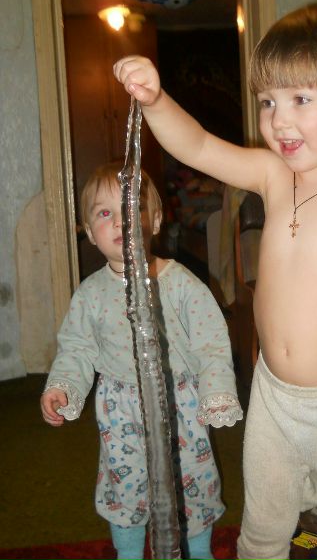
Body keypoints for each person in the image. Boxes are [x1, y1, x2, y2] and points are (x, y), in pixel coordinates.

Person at [113, 3, 317, 560]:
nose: (279, 120)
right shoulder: (271, 174)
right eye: (268, 102)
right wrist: (156, 101)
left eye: (301, 99)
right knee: (261, 530)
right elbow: (198, 146)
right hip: (273, 396)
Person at [41, 161, 243, 560]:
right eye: (105, 213)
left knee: (191, 478)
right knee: (125, 485)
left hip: (179, 404)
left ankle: (199, 549)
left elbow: (211, 342)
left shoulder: (180, 282)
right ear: (89, 231)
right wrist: (63, 386)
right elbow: (76, 348)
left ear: (155, 220)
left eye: (131, 209)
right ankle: (129, 552)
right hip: (120, 410)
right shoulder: (90, 294)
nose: (121, 222)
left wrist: (217, 389)